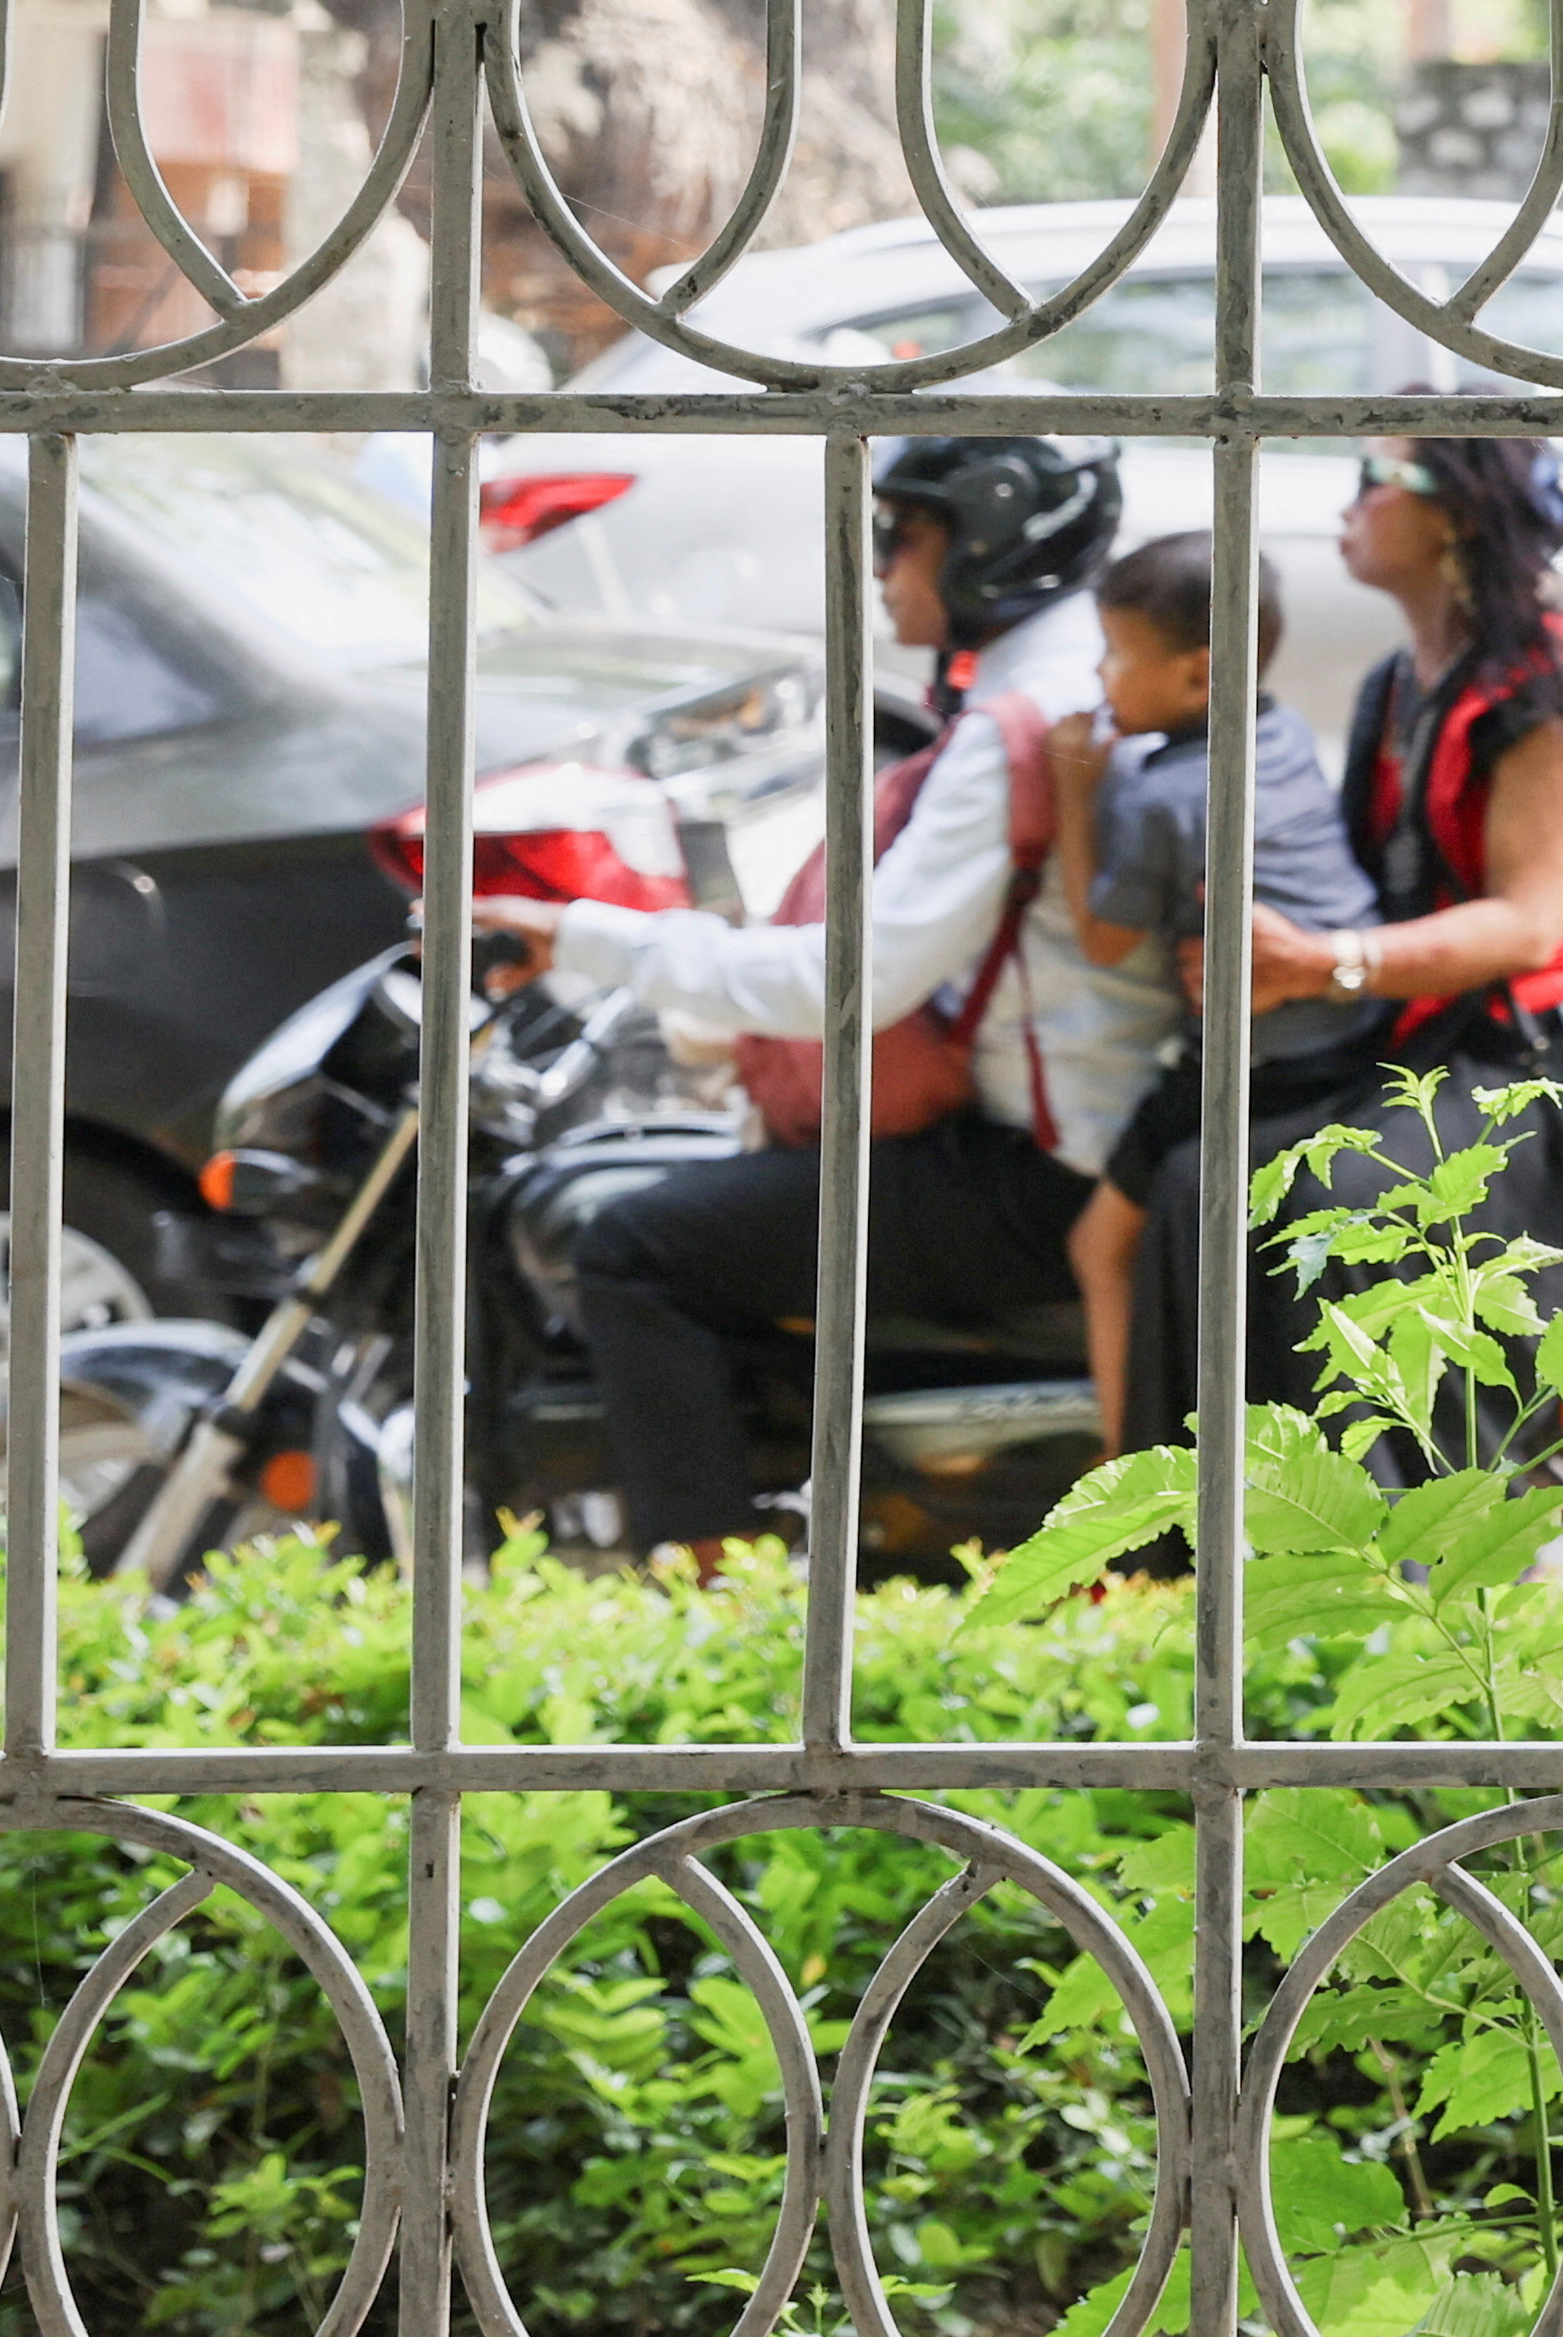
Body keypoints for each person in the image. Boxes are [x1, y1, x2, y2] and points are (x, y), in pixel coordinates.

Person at [477, 434, 1170, 1573]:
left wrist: (594, 938)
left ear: (995, 543)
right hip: (1087, 1142)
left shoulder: (1017, 728)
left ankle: (720, 1612)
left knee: (635, 1246)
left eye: (908, 535)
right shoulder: (1055, 689)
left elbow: (844, 983)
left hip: (1040, 1172)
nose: (885, 565)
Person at [1187, 420, 1563, 1425]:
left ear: (1456, 512)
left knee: (1327, 1215)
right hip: (1448, 1038)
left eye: (1373, 477)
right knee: (1189, 1177)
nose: (1347, 503)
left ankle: (1400, 1549)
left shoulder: (1555, 690)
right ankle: (1207, 1546)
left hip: (1561, 1064)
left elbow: (1526, 929)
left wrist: (1323, 963)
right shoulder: (1401, 680)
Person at [1051, 531, 1388, 1458]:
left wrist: (1074, 789)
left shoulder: (1163, 795)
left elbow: (1103, 935)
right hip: (1347, 1041)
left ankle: (1123, 1508)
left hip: (1253, 1063)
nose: (1100, 672)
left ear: (1199, 677)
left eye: (1117, 653)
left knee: (1099, 1248)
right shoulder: (1274, 731)